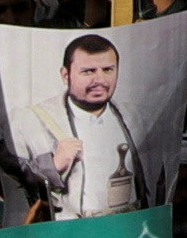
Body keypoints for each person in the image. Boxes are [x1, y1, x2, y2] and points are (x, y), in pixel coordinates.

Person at [8, 31, 151, 217]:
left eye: (108, 70)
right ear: (66, 75)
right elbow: (11, 176)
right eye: (88, 71)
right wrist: (53, 165)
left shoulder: (137, 117)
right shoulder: (31, 120)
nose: (99, 80)